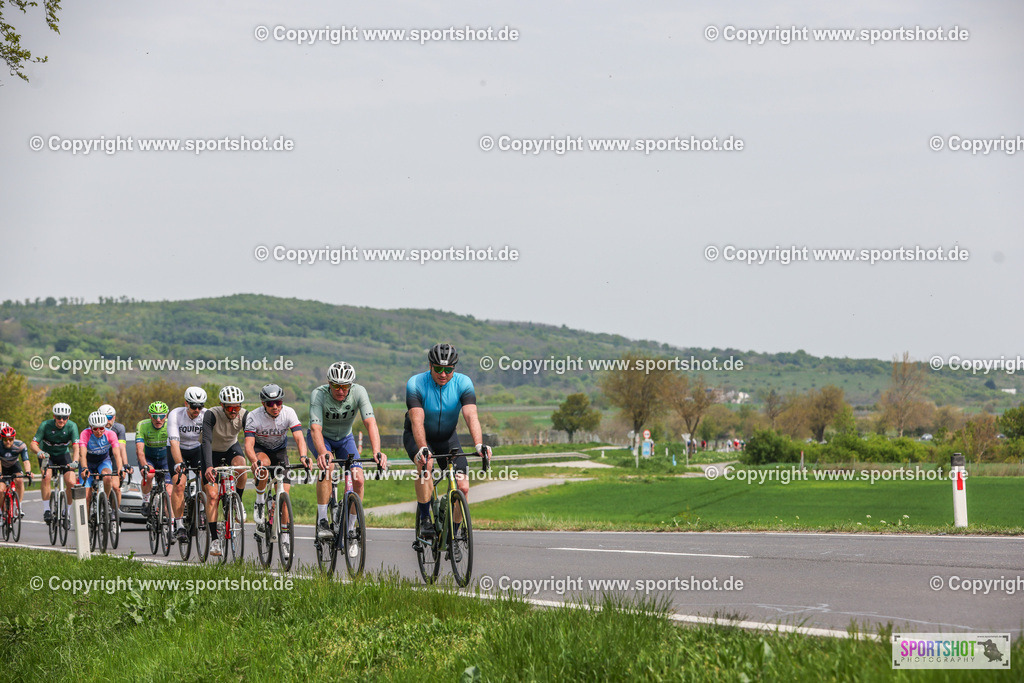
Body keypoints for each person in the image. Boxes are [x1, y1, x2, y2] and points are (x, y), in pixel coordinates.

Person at [404, 343, 490, 539]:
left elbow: (471, 415)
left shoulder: (464, 383)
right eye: (438, 369)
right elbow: (417, 420)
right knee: (426, 463)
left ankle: (454, 536)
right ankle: (425, 519)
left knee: (463, 487)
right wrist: (423, 448)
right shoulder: (415, 383)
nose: (443, 374)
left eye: (448, 370)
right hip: (418, 435)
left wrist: (479, 444)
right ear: (430, 366)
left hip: (447, 438)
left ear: (454, 368)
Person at [307, 362, 385, 542]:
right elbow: (315, 428)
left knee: (358, 478)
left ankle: (350, 527)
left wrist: (377, 451)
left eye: (345, 386)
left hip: (345, 438)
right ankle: (322, 521)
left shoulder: (359, 392)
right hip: (321, 437)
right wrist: (322, 452)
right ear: (329, 383)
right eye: (336, 386)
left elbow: (370, 423)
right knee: (328, 468)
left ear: (351, 385)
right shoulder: (318, 394)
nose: (341, 390)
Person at [244, 383, 309, 529]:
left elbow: (299, 438)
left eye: (278, 402)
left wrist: (303, 456)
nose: (275, 407)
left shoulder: (289, 412)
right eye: (270, 403)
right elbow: (248, 445)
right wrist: (254, 461)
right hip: (261, 450)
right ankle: (260, 501)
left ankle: (285, 535)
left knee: (284, 497)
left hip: (280, 452)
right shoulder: (254, 416)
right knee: (263, 465)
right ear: (263, 404)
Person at [201, 386, 248, 557]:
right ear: (222, 405)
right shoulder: (211, 414)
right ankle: (214, 539)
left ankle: (237, 502)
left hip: (230, 448)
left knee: (241, 466)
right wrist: (208, 466)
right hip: (211, 452)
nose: (234, 410)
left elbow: (250, 438)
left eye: (237, 406)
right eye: (230, 407)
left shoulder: (244, 415)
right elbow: (206, 441)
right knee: (213, 496)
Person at [167, 386, 207, 542]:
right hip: (178, 449)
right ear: (186, 403)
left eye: (200, 406)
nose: (197, 410)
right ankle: (179, 526)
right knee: (179, 484)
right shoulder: (175, 414)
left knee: (206, 477)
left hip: (196, 448)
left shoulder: (205, 415)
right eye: (193, 406)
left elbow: (209, 441)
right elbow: (174, 442)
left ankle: (201, 510)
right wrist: (179, 463)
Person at [30, 403, 79, 524]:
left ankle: (67, 511)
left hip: (63, 455)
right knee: (46, 477)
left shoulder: (72, 426)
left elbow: (76, 447)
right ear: (54, 416)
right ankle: (47, 509)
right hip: (47, 455)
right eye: (58, 417)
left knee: (71, 482)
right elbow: (33, 444)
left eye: (64, 417)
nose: (61, 420)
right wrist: (39, 452)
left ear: (68, 417)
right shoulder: (45, 425)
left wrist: (75, 461)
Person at [136, 401, 172, 543]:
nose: (158, 419)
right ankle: (146, 500)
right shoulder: (142, 425)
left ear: (166, 416)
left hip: (165, 459)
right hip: (149, 458)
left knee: (169, 493)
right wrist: (145, 465)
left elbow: (176, 445)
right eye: (155, 416)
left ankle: (171, 525)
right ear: (150, 416)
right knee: (149, 474)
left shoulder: (170, 425)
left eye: (161, 416)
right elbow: (140, 450)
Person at [78, 411, 125, 514]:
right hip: (88, 462)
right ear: (91, 427)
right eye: (95, 429)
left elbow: (117, 454)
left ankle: (105, 500)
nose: (99, 431)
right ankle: (87, 521)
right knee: (86, 496)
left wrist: (120, 469)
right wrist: (84, 468)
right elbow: (82, 454)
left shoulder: (110, 434)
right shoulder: (85, 434)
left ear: (105, 426)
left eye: (101, 428)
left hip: (103, 461)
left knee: (107, 477)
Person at [98, 404, 128, 511]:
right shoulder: (95, 427)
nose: (107, 420)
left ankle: (115, 513)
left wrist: (124, 465)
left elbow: (122, 448)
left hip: (114, 455)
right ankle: (97, 506)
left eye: (109, 417)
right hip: (99, 456)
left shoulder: (119, 428)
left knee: (116, 487)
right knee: (96, 485)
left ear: (114, 417)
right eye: (104, 417)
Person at [0, 424, 32, 514]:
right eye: (5, 439)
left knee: (20, 480)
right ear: (1, 438)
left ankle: (19, 507)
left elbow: (25, 460)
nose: (8, 442)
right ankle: (1, 511)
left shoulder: (20, 445)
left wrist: (28, 472)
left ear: (14, 438)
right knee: (1, 490)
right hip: (2, 466)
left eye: (10, 439)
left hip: (14, 465)